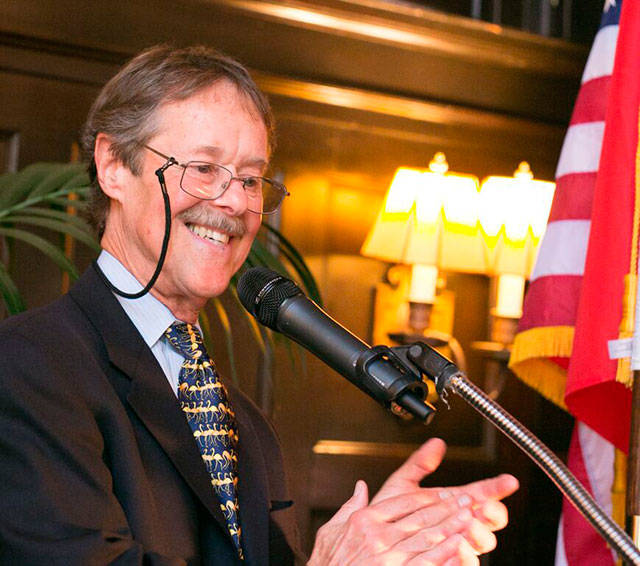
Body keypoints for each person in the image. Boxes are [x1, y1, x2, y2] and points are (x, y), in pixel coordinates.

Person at [0, 45, 518, 565]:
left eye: (250, 179)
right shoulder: (27, 366)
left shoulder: (243, 423)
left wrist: (390, 548)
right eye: (204, 168)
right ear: (113, 165)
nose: (235, 201)